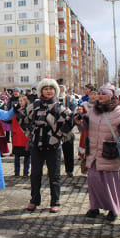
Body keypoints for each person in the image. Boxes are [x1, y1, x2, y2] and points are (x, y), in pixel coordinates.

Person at [76, 83, 120, 222]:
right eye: (100, 93)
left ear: (111, 96)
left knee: (110, 183)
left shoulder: (118, 111)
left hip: (109, 152)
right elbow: (84, 126)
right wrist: (78, 120)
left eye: (105, 94)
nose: (101, 96)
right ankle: (94, 207)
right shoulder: (93, 110)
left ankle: (113, 209)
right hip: (94, 153)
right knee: (94, 181)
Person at [19, 78, 74, 213]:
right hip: (36, 145)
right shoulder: (35, 105)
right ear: (41, 90)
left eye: (51, 89)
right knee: (35, 174)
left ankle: (55, 201)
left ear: (55, 91)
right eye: (45, 89)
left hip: (53, 146)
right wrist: (29, 134)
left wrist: (59, 135)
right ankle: (34, 200)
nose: (48, 91)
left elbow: (71, 120)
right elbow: (22, 118)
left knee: (54, 175)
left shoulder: (58, 106)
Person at [12, 95, 31, 177]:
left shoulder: (28, 110)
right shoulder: (15, 110)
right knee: (17, 156)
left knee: (27, 156)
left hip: (25, 135)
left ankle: (26, 172)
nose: (20, 102)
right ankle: (16, 172)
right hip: (17, 135)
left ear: (26, 101)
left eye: (22, 101)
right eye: (19, 101)